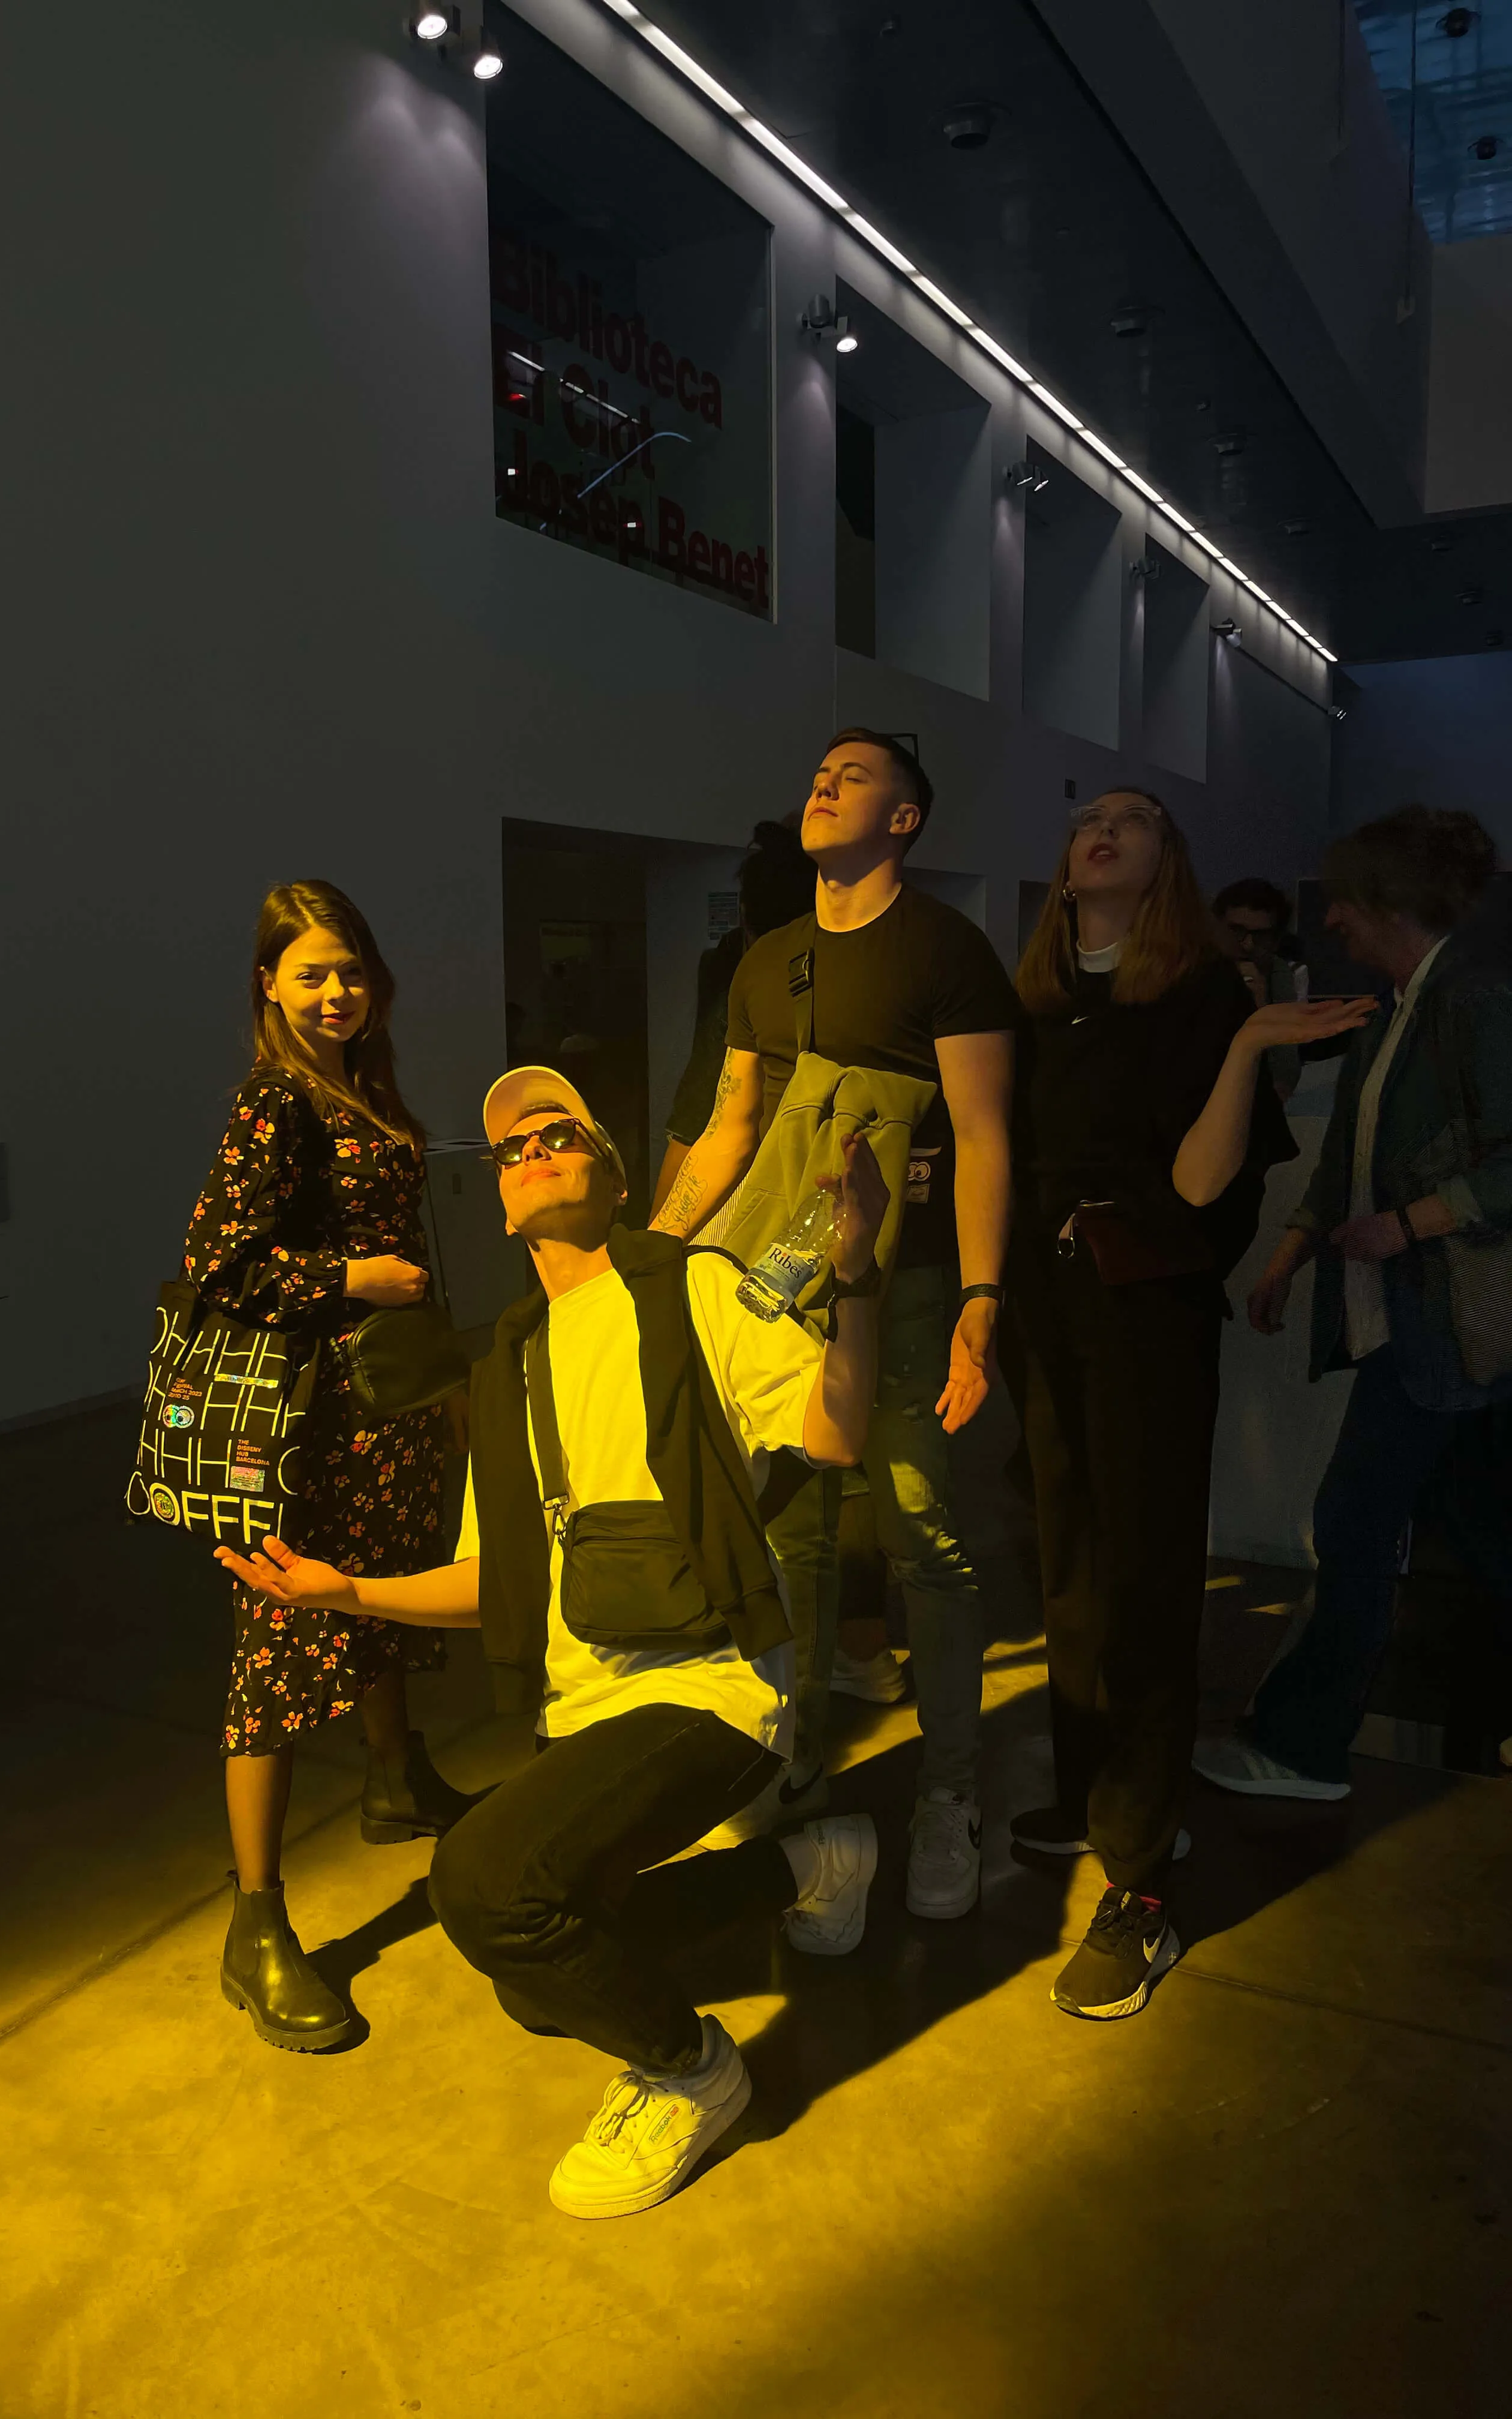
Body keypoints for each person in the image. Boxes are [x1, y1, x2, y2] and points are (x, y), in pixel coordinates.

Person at [218, 1066, 887, 2218]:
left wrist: (859, 1270)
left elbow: (831, 1430)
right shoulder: (512, 1355)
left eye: (561, 1129)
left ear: (614, 1176)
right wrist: (348, 1593)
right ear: (500, 1197)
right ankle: (804, 1863)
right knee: (539, 1975)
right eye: (512, 1144)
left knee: (481, 1885)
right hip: (587, 1697)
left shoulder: (694, 1292)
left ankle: (693, 2072)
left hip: (712, 1685)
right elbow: (497, 1580)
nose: (532, 1147)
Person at [1003, 791, 1372, 2019]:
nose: (1103, 829)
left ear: (1166, 865)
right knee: (1067, 1561)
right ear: (1066, 864)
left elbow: (1204, 1185)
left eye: (1135, 820)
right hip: (1043, 1312)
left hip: (1146, 1312)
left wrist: (1254, 1046)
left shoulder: (1205, 998)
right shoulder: (1036, 1001)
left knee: (1151, 1579)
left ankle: (1145, 1878)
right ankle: (1096, 1790)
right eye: (1089, 819)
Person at [650, 728, 1017, 1922]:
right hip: (778, 1288)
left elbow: (981, 1136)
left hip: (902, 1291)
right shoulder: (767, 960)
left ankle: (951, 1794)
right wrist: (656, 1261)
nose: (824, 784)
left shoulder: (947, 953)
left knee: (921, 1536)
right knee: (792, 1545)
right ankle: (791, 1759)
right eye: (818, 772)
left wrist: (976, 1303)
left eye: (855, 777)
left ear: (905, 820)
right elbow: (730, 1128)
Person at [187, 880, 473, 2054]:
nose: (337, 991)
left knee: (381, 1604)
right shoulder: (275, 1103)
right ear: (269, 984)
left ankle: (396, 1778)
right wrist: (348, 1281)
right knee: (281, 1648)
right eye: (311, 973)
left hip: (385, 1409)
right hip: (307, 1431)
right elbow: (217, 1267)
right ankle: (255, 1929)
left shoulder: (359, 1083)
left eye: (350, 969)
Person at [1196, 808, 1512, 1801]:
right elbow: (1350, 1155)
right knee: (1477, 1527)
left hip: (1434, 1324)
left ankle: (1301, 1745)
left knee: (1353, 1518)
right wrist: (1291, 1252)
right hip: (1427, 1330)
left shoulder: (1467, 999)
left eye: (1343, 898)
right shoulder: (1406, 1002)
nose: (1327, 918)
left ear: (1385, 901)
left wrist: (1408, 1223)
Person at [651, 817, 817, 1221]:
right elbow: (705, 1109)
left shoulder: (737, 968)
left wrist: (655, 1234)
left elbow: (702, 1114)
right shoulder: (734, 966)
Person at [1213, 878, 1311, 1097]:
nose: (1248, 945)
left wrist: (1261, 1009)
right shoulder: (1191, 972)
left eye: (1261, 937)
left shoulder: (1279, 975)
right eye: (1236, 931)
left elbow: (1284, 1082)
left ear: (1276, 942)